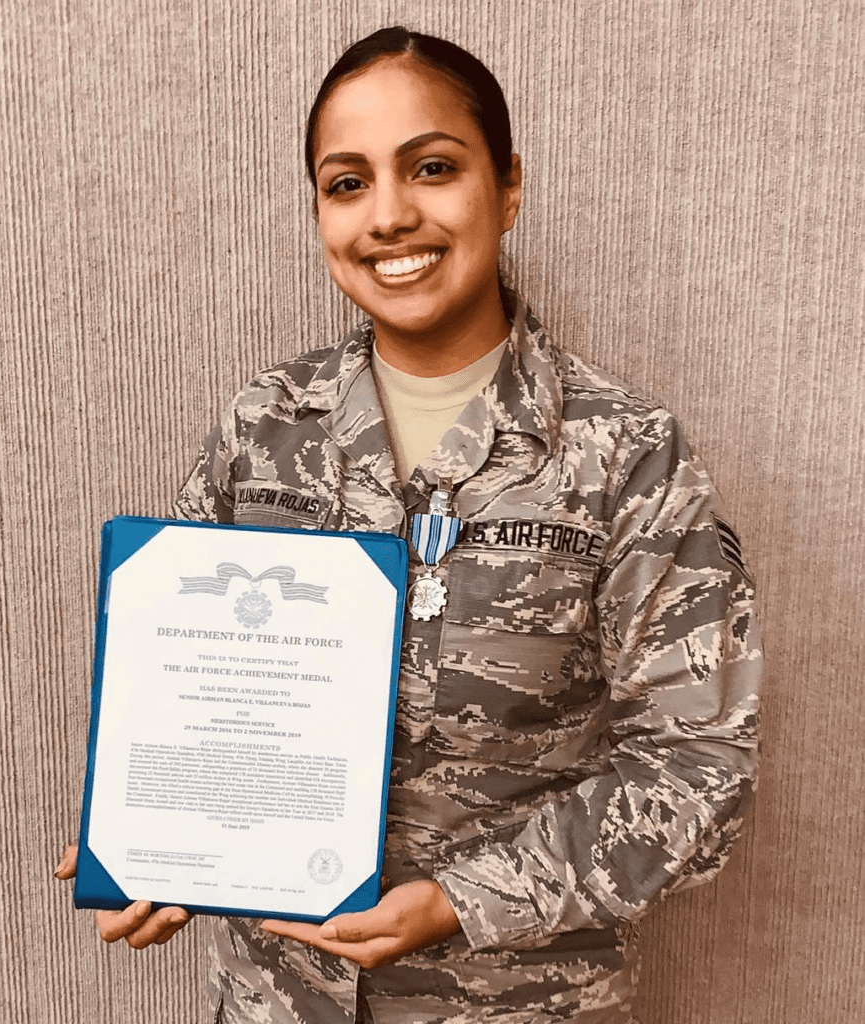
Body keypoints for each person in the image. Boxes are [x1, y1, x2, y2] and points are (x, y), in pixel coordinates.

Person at [57, 26, 761, 1024]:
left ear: (506, 187)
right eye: (346, 184)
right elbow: (172, 687)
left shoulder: (626, 454)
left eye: (431, 168)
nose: (388, 215)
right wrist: (152, 841)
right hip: (275, 1001)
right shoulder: (264, 427)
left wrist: (462, 901)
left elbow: (699, 767)